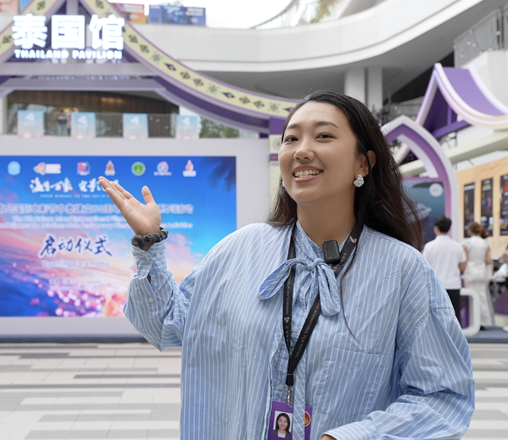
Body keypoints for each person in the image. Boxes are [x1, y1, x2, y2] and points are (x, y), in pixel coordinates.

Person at [99, 91, 474, 440]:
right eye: (291, 139)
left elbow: (443, 397)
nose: (302, 151)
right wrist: (150, 243)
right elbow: (166, 326)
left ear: (364, 161)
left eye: (323, 137)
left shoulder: (403, 272)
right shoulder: (239, 251)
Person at [422, 216, 467, 324]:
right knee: (455, 318)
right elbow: (463, 268)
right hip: (454, 285)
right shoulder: (458, 246)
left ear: (436, 228)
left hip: (436, 287)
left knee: (437, 320)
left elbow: (424, 269)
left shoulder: (429, 246)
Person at [463, 222, 494, 328]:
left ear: (470, 231)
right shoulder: (486, 244)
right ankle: (484, 322)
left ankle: (473, 322)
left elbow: (465, 260)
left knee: (472, 298)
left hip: (471, 273)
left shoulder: (467, 244)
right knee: (483, 297)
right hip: (482, 273)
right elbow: (489, 261)